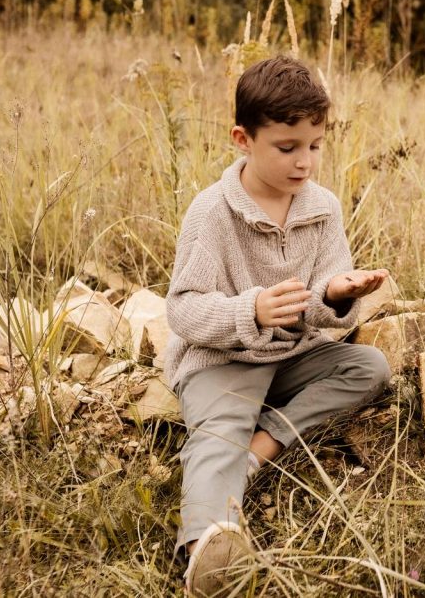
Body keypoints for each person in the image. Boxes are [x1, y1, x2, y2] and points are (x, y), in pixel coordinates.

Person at [163, 56, 391, 594]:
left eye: (315, 145)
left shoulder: (323, 208)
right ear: (243, 138)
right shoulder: (212, 211)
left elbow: (321, 300)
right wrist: (251, 311)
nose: (304, 162)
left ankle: (260, 450)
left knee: (370, 367)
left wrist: (336, 294)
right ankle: (206, 549)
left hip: (290, 356)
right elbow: (184, 308)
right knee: (216, 435)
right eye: (287, 148)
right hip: (223, 360)